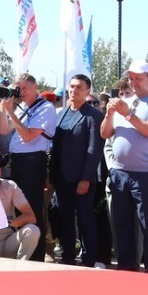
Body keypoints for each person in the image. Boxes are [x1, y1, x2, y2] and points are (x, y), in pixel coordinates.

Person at [101, 62, 148, 273]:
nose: (134, 81)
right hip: (120, 173)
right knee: (121, 225)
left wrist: (128, 114)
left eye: (139, 77)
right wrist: (110, 114)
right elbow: (105, 134)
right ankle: (126, 269)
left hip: (147, 175)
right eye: (132, 78)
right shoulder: (124, 102)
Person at [0, 74, 56, 258]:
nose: (21, 93)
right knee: (18, 206)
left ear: (35, 86)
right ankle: (22, 249)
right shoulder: (22, 107)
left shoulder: (45, 107)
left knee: (32, 206)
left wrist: (12, 113)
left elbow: (28, 136)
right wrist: (3, 109)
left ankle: (36, 255)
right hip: (19, 162)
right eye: (18, 89)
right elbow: (4, 130)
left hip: (33, 162)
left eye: (24, 88)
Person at [49, 74, 104, 266]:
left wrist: (86, 178)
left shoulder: (94, 116)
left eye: (79, 87)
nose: (74, 90)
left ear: (88, 91)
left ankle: (88, 259)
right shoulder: (62, 113)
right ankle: (68, 256)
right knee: (64, 218)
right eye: (72, 87)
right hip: (62, 178)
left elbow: (93, 149)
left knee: (84, 219)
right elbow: (56, 147)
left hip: (82, 180)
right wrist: (52, 176)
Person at [0, 155, 41, 259]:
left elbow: (31, 217)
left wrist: (7, 222)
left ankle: (20, 268)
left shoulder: (10, 186)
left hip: (9, 239)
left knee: (33, 230)